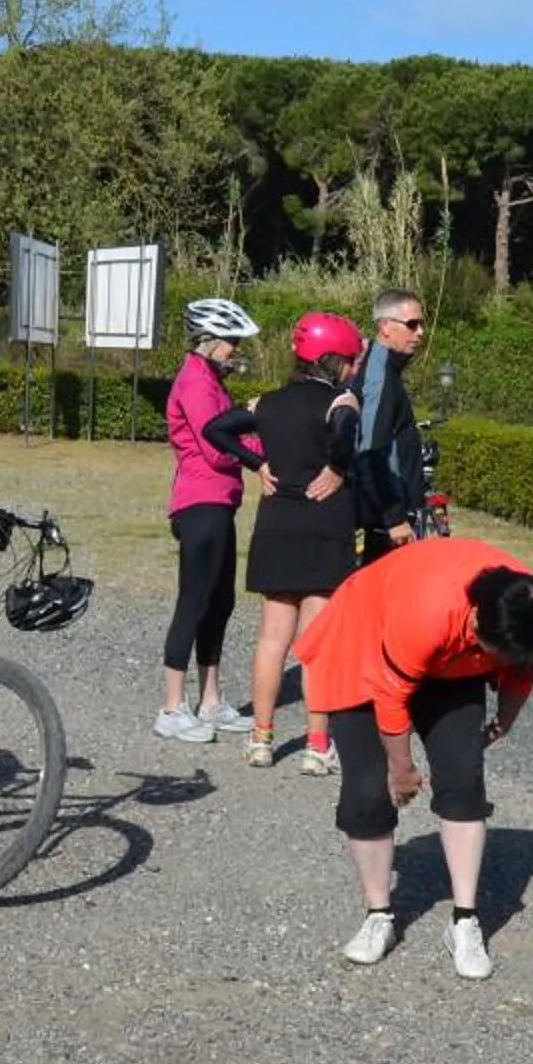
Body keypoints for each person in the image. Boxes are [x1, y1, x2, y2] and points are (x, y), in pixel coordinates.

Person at [296, 537, 533, 981]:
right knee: (368, 790)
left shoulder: (527, 608)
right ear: (479, 626)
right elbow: (391, 693)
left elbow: (526, 666)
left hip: (449, 662)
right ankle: (378, 914)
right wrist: (401, 769)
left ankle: (464, 920)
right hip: (368, 643)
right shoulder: (429, 609)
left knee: (463, 778)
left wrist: (505, 721)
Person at [210, 311, 363, 774]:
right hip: (324, 524)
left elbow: (215, 429)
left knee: (271, 640)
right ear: (333, 359)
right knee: (316, 642)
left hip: (276, 522)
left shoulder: (266, 403)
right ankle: (318, 746)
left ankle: (261, 738)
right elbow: (344, 439)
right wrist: (337, 470)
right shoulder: (342, 403)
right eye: (352, 360)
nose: (355, 369)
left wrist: (255, 463)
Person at [158, 296, 260, 743]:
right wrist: (261, 442)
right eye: (231, 341)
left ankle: (210, 700)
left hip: (220, 502)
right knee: (195, 600)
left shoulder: (211, 380)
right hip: (201, 502)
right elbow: (218, 449)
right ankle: (171, 706)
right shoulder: (196, 383)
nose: (235, 348)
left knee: (220, 602)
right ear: (210, 340)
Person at [349, 289, 430, 565]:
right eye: (412, 325)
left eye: (421, 324)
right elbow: (371, 449)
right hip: (381, 522)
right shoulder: (379, 374)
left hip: (387, 515)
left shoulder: (387, 370)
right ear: (385, 326)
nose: (420, 332)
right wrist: (393, 517)